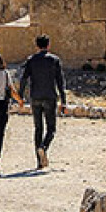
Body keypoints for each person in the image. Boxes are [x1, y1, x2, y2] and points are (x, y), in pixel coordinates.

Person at [19, 34, 67, 169]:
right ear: (48, 45)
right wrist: (63, 101)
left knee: (38, 128)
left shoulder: (31, 60)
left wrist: (20, 96)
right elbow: (60, 82)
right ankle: (44, 147)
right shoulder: (54, 60)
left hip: (35, 97)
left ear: (37, 45)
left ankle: (39, 161)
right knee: (51, 128)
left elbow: (24, 79)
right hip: (50, 97)